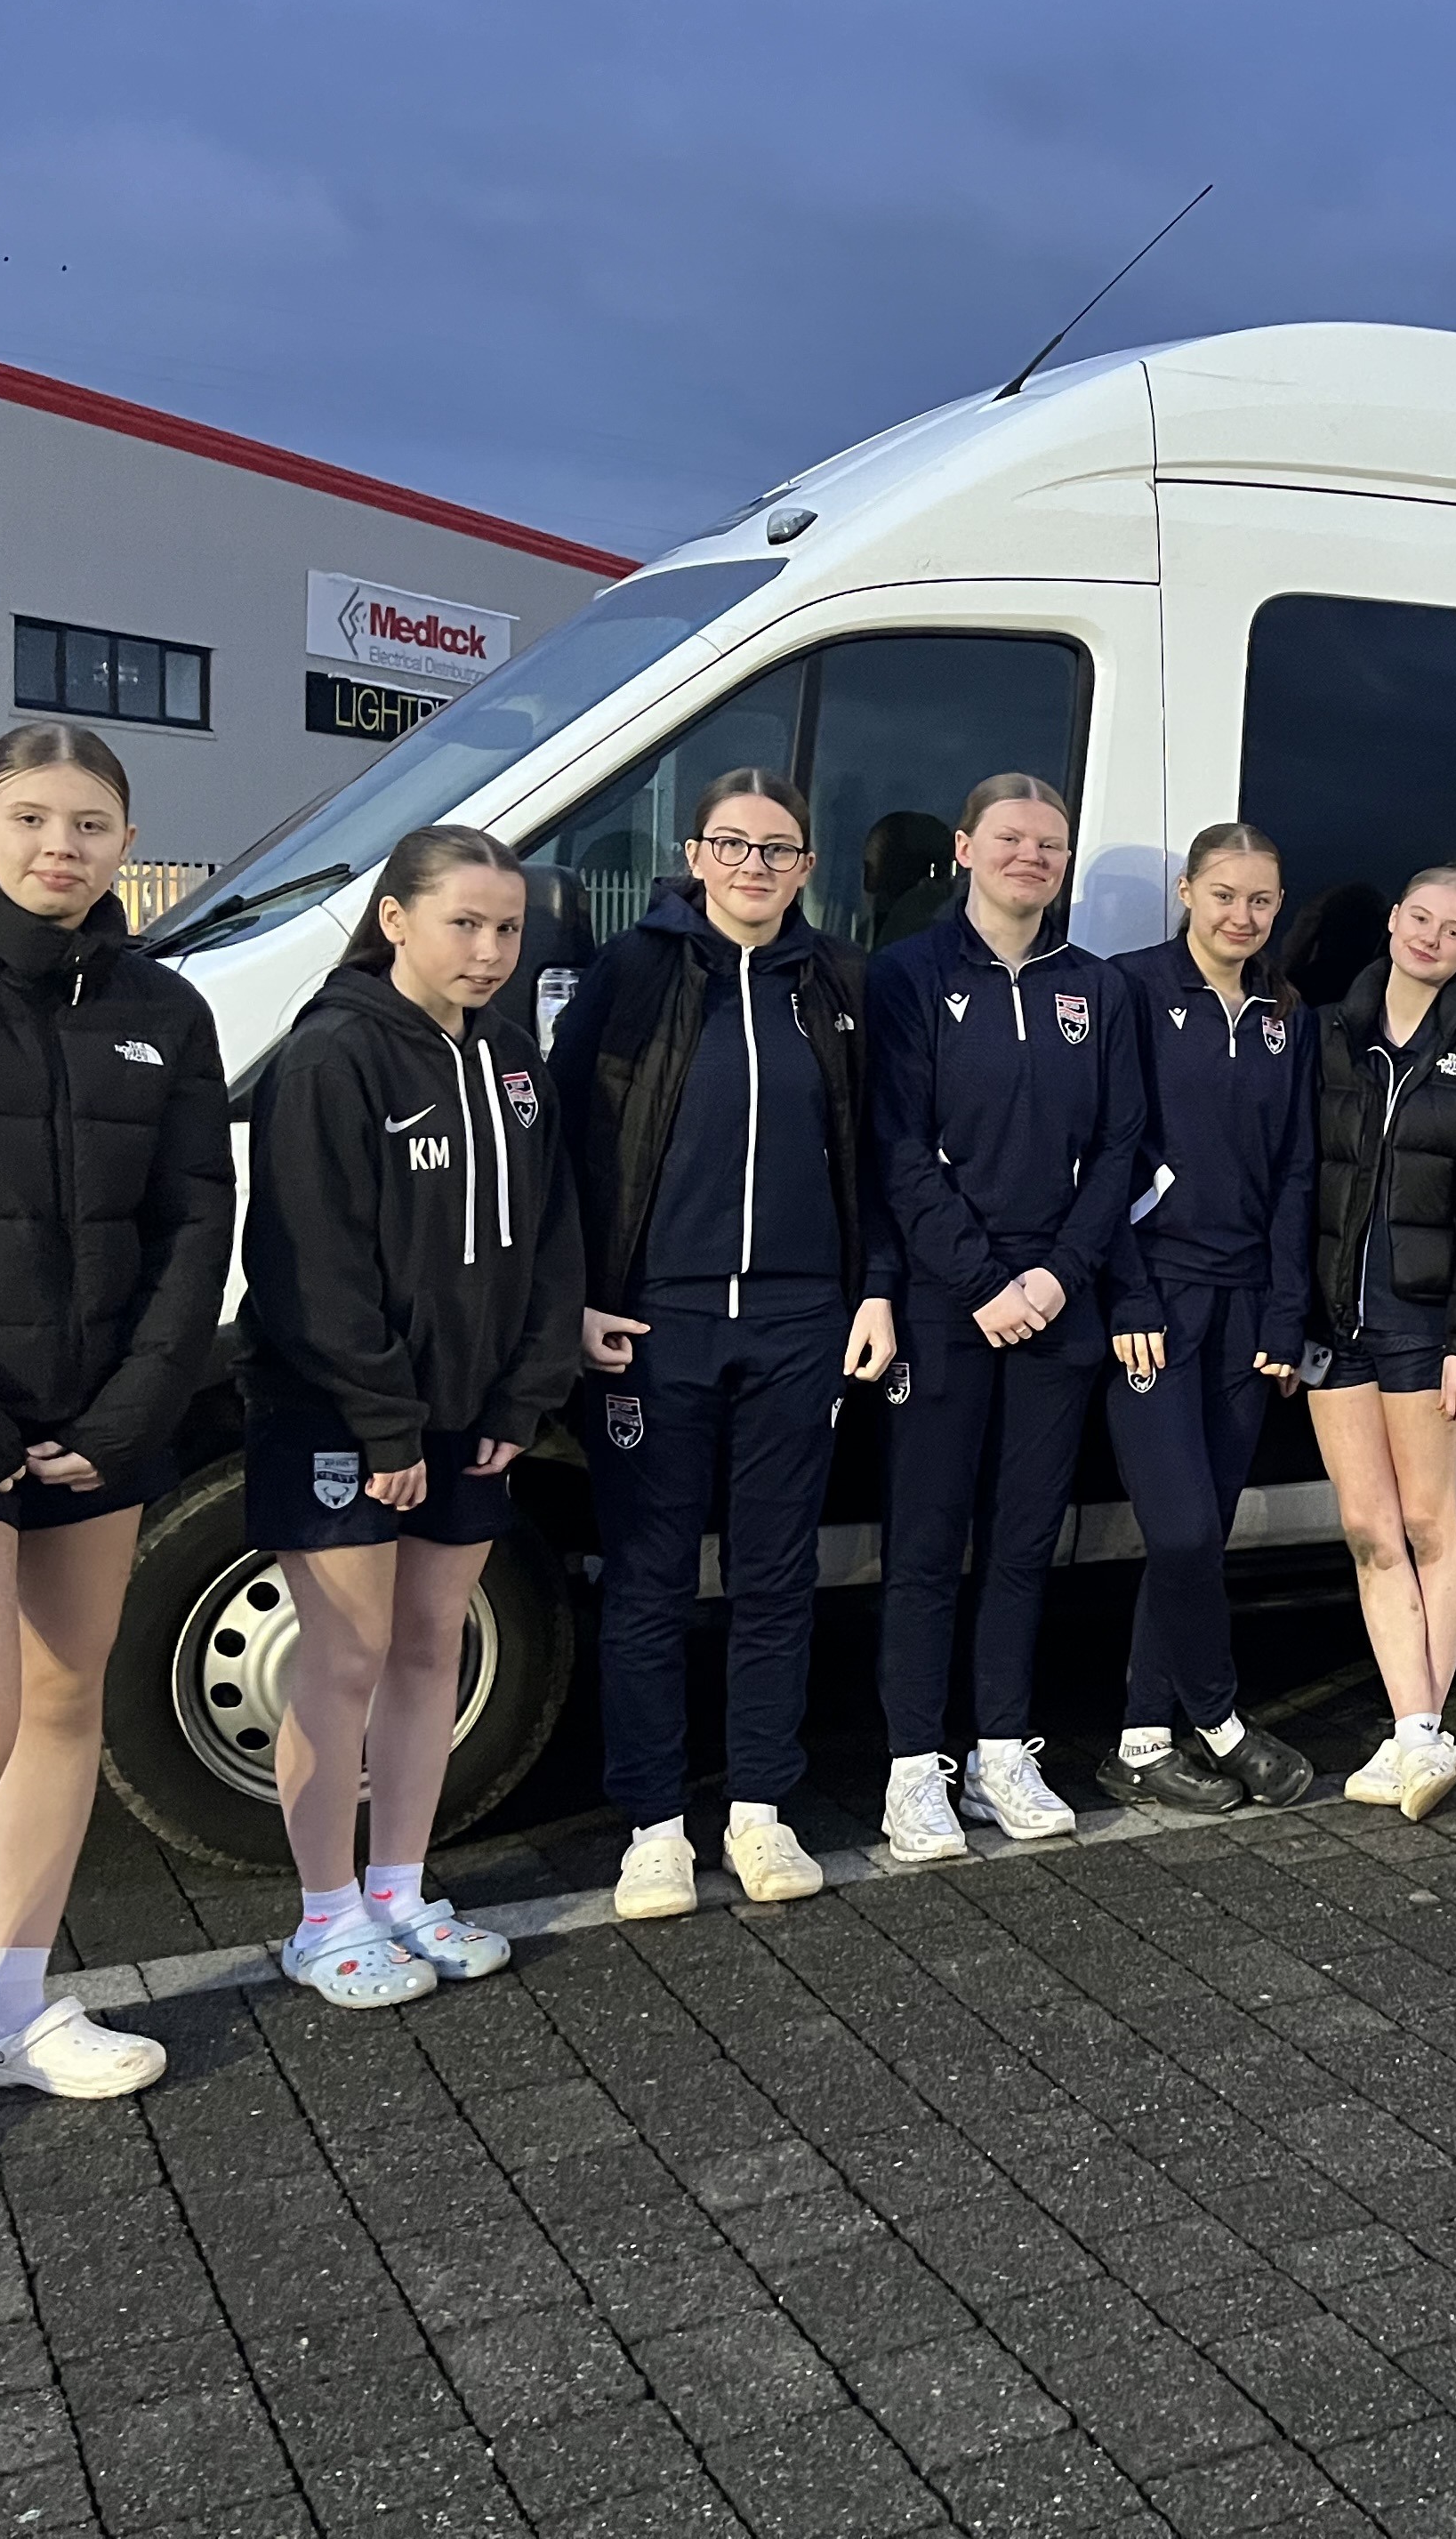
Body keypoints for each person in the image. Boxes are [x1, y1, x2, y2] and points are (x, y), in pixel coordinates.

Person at [0, 727, 233, 2184]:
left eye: (91, 823)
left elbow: (193, 1224)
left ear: (125, 842)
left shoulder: (165, 1006)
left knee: (61, 1700)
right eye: (31, 817)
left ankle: (8, 2013)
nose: (60, 847)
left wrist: (131, 1410)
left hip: (96, 1429)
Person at [239, 826, 583, 2008]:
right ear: (395, 919)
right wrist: (384, 1426)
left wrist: (523, 1396)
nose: (490, 951)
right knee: (345, 1658)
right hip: (342, 1417)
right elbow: (308, 1265)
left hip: (472, 1414)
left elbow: (552, 1239)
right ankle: (322, 1915)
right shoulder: (331, 1056)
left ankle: (398, 1889)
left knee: (433, 1647)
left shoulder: (514, 1059)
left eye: (508, 929)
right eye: (464, 924)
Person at [553, 768, 898, 1921]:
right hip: (657, 1322)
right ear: (695, 856)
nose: (756, 866)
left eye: (778, 849)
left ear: (807, 867)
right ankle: (654, 1828)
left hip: (801, 1322)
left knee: (774, 1577)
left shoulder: (837, 980)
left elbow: (878, 1147)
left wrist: (873, 1292)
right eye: (734, 845)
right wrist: (579, 1296)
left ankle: (760, 1809)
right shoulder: (634, 971)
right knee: (649, 1581)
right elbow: (567, 1143)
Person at [868, 776, 1144, 1859]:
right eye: (1012, 839)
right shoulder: (908, 975)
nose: (1032, 857)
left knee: (1025, 1542)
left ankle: (1000, 1752)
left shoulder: (1096, 988)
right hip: (949, 1305)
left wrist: (1060, 1276)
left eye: (1051, 845)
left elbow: (1118, 1150)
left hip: (1056, 1304)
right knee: (927, 1542)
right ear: (965, 847)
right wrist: (983, 1283)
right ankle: (912, 1769)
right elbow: (897, 1146)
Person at [1093, 822, 1322, 1815]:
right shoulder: (1132, 990)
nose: (1242, 915)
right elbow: (1106, 1153)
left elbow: (1296, 1172)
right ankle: (1221, 1719)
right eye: (1224, 894)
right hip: (1156, 1302)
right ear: (1187, 890)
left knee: (1203, 1536)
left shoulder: (1285, 1013)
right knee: (1182, 1530)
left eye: (1261, 900)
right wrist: (1128, 1291)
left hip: (1246, 1312)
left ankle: (1143, 1740)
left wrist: (1284, 1314)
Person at [1305, 865, 1456, 1819]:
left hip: (1424, 1323)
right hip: (1332, 1326)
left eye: (1455, 929)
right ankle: (1418, 1736)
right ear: (1394, 919)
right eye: (1421, 918)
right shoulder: (1326, 1034)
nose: (1432, 937)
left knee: (1430, 1524)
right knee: (1369, 1530)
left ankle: (1416, 1731)